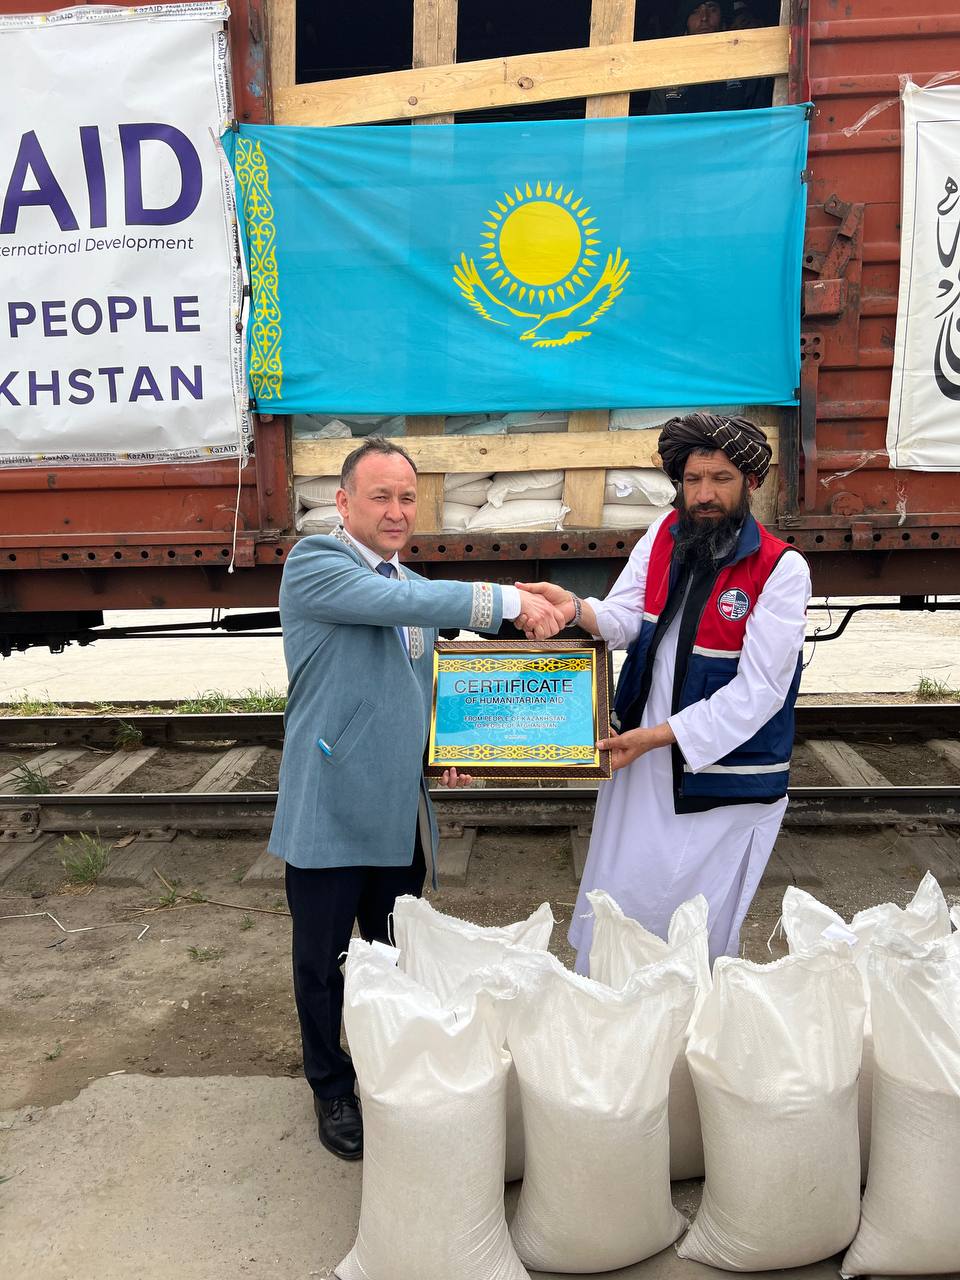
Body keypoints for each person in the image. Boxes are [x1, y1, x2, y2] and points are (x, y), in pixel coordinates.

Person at [269, 436, 563, 1160]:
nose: (397, 511)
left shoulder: (413, 587)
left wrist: (445, 751)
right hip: (330, 805)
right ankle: (331, 1085)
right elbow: (394, 602)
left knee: (394, 955)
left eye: (407, 498)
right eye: (381, 497)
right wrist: (509, 599)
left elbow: (422, 689)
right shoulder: (316, 564)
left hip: (398, 811)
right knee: (322, 964)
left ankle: (387, 1071)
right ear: (343, 504)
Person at [518, 412, 810, 967]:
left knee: (690, 928)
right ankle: (610, 1008)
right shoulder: (663, 536)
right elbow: (627, 616)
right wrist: (575, 609)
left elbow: (761, 691)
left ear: (750, 482)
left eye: (720, 479)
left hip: (720, 773)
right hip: (644, 759)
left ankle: (678, 1018)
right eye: (692, 479)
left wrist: (657, 737)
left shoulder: (781, 569)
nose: (704, 494)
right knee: (621, 902)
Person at [647, 0, 773, 115]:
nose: (704, 18)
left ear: (723, 21)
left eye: (712, 10)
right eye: (695, 11)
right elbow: (656, 126)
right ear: (686, 26)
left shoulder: (744, 68)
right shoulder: (669, 74)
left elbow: (759, 121)